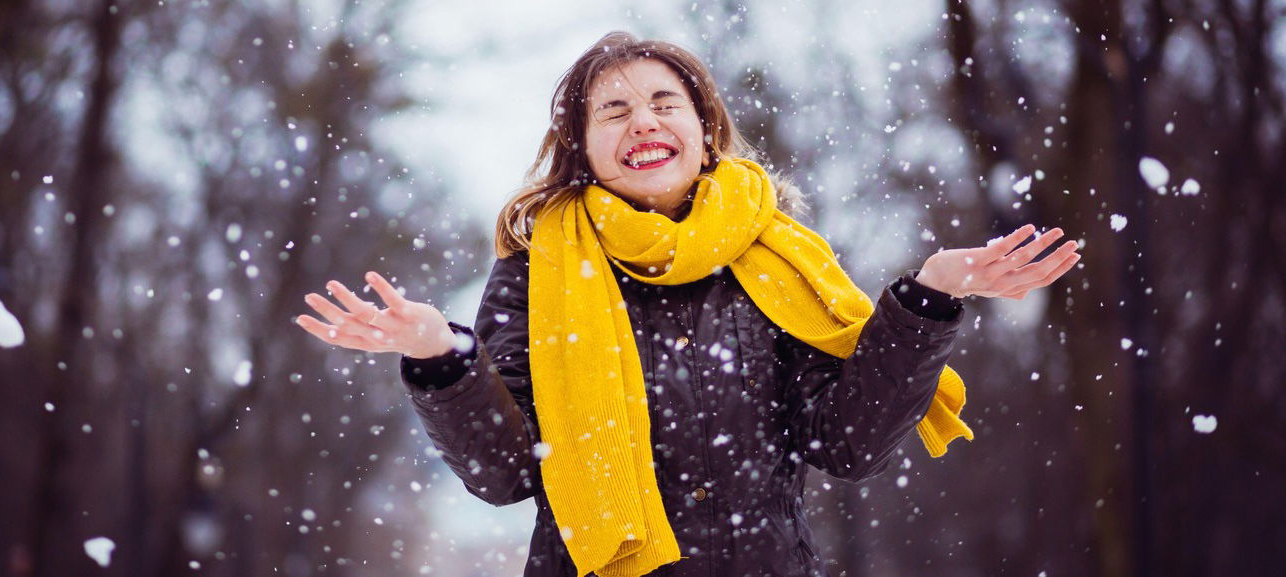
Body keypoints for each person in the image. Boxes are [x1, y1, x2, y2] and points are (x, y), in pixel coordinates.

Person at [296, 31, 1080, 577]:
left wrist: (928, 297)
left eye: (664, 103)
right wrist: (440, 356)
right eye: (614, 110)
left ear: (704, 130)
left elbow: (848, 442)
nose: (643, 121)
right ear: (583, 148)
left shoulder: (779, 255)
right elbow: (507, 473)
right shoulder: (537, 270)